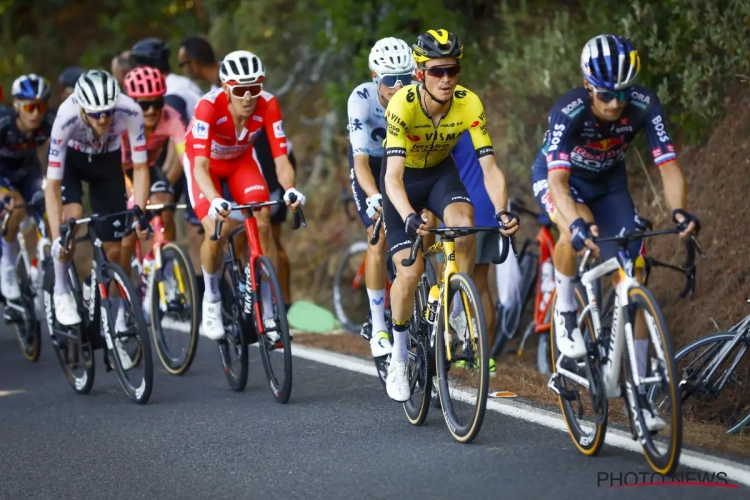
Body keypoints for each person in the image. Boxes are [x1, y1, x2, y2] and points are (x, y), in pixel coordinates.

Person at [531, 34, 700, 430]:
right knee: (574, 228)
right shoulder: (568, 111)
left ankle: (640, 393)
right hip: (563, 182)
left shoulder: (642, 104)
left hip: (610, 185)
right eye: (606, 94)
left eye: (622, 93)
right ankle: (567, 311)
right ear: (588, 86)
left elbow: (668, 164)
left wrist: (678, 211)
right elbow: (556, 181)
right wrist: (574, 221)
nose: (615, 103)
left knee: (634, 271)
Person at [381, 29, 519, 402]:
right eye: (437, 71)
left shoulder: (469, 103)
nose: (446, 79)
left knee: (466, 225)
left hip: (441, 175)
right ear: (419, 73)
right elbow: (392, 177)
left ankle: (455, 302)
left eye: (453, 70)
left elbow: (489, 168)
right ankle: (397, 356)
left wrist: (503, 210)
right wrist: (409, 216)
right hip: (403, 181)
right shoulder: (402, 105)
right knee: (408, 275)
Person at [184, 50, 304, 340]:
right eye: (240, 90)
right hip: (206, 165)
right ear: (226, 88)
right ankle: (211, 298)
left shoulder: (268, 104)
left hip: (240, 161)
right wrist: (214, 199)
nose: (249, 97)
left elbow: (280, 159)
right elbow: (199, 165)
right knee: (216, 229)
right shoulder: (207, 108)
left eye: (255, 87)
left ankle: (268, 307)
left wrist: (290, 189)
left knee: (263, 221)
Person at [45, 70, 150, 344]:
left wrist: (139, 211)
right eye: (95, 114)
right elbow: (53, 186)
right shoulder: (64, 119)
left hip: (107, 164)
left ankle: (113, 325)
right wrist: (57, 236)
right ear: (81, 107)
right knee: (73, 219)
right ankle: (61, 290)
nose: (103, 119)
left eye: (108, 112)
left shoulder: (130, 110)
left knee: (114, 249)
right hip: (72, 165)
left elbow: (140, 166)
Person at [346, 37, 414, 357]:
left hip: (402, 161)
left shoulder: (416, 97)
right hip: (371, 164)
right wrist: (374, 196)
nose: (398, 88)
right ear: (375, 76)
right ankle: (377, 326)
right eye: (390, 81)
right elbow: (360, 163)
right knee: (379, 233)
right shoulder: (361, 99)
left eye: (406, 79)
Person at [132, 37, 205, 293]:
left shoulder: (169, 96)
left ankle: (177, 277)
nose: (151, 109)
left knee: (165, 206)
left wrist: (165, 187)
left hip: (193, 155)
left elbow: (180, 150)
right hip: (201, 153)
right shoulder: (181, 83)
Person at [0, 74, 55, 301]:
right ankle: (9, 265)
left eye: (41, 106)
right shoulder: (3, 124)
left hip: (29, 172)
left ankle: (50, 266)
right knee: (17, 208)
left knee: (50, 212)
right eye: (30, 107)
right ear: (17, 106)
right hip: (3, 174)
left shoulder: (49, 123)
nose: (36, 113)